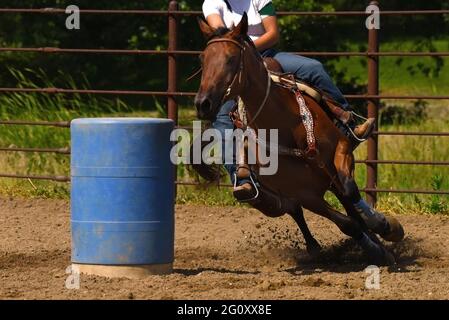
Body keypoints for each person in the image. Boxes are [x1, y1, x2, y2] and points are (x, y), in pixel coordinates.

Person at [202, 0, 375, 201]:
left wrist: (247, 52)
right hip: (230, 64)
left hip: (264, 55)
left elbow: (272, 34)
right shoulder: (212, 4)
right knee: (223, 117)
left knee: (314, 69)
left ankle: (348, 125)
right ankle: (241, 180)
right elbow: (222, 38)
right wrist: (239, 55)